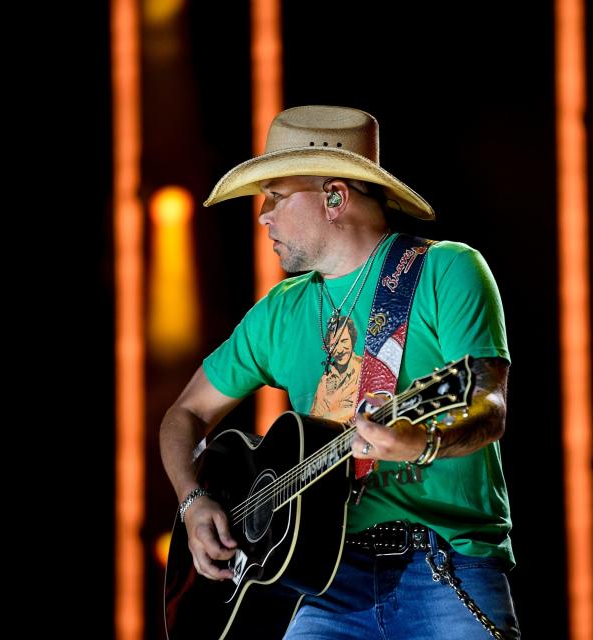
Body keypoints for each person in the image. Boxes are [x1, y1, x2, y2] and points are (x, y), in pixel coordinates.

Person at [160, 105, 520, 639]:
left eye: (277, 197)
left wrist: (416, 442)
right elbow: (183, 414)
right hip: (323, 580)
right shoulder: (279, 311)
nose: (263, 215)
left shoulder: (448, 269)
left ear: (334, 197)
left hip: (444, 565)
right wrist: (193, 501)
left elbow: (488, 406)